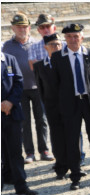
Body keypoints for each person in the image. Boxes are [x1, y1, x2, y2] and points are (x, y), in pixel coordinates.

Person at [50, 23, 90, 190]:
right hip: (70, 103)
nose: (72, 39)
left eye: (76, 36)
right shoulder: (57, 57)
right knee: (72, 142)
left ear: (82, 37)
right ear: (65, 39)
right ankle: (75, 177)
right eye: (69, 36)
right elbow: (55, 84)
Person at [3, 13, 53, 164]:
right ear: (13, 28)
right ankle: (29, 152)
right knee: (24, 121)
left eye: (24, 27)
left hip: (38, 87)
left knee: (41, 120)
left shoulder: (37, 43)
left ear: (29, 28)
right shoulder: (7, 46)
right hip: (19, 89)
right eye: (19, 27)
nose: (22, 29)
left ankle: (44, 149)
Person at [2, 48, 37, 195]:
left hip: (12, 113)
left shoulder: (9, 59)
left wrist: (10, 102)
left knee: (16, 151)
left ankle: (21, 185)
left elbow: (18, 81)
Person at [33, 33, 68, 179]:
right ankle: (60, 166)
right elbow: (41, 89)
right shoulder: (39, 66)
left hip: (69, 106)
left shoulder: (68, 62)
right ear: (45, 47)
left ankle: (75, 164)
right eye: (53, 45)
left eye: (59, 44)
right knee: (57, 137)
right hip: (52, 107)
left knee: (73, 135)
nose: (56, 47)